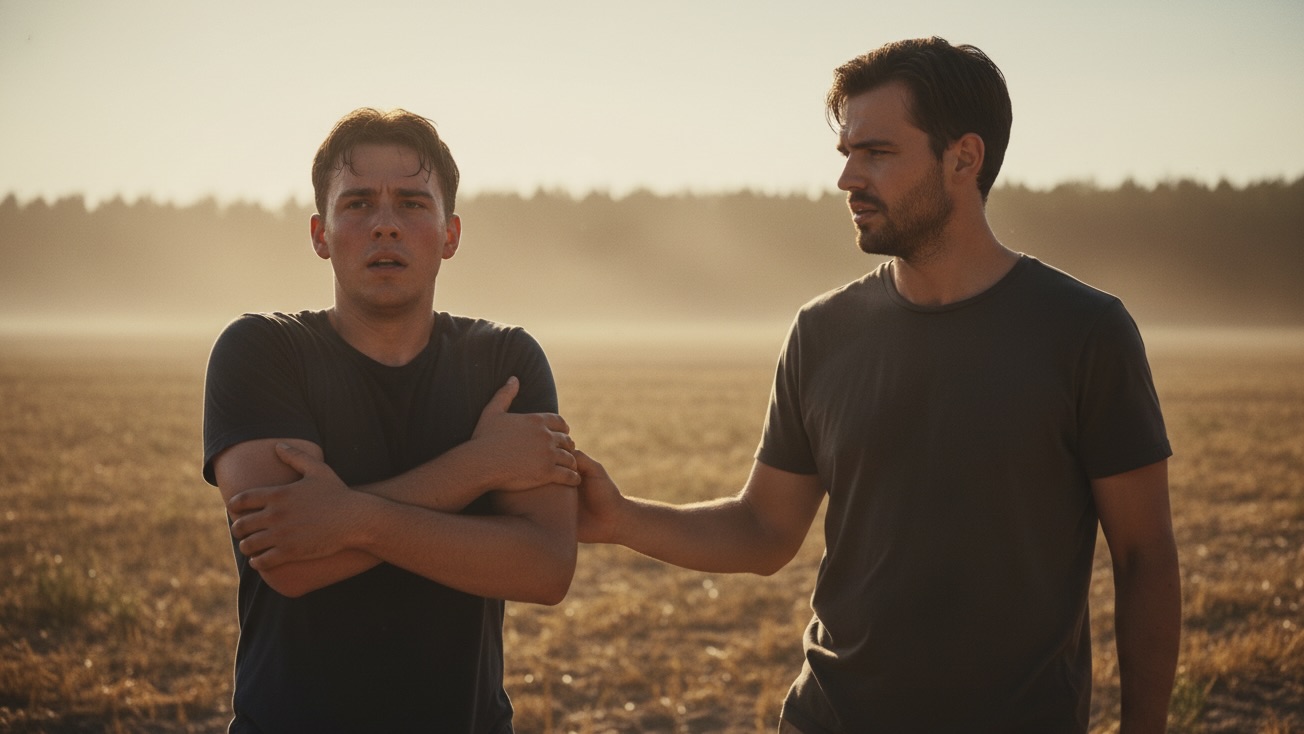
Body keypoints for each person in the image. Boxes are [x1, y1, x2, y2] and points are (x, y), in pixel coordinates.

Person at [576, 38, 1180, 734]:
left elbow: (1144, 557)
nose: (848, 179)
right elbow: (765, 529)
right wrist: (619, 518)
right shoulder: (822, 331)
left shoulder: (1085, 332)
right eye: (846, 154)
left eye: (878, 153)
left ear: (964, 157)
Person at [202, 108, 580, 733]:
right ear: (320, 233)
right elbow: (291, 561)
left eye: (410, 203)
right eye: (357, 205)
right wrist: (477, 466)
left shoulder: (505, 362)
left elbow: (543, 568)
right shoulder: (261, 351)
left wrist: (348, 519)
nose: (384, 225)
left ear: (450, 234)